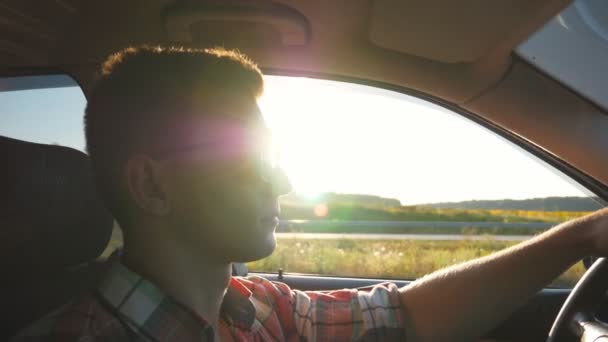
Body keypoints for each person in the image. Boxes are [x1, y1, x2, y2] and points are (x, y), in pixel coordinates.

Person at [12, 46, 608, 341]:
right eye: (250, 160)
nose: (284, 181)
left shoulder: (259, 310)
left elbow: (408, 315)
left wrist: (581, 235)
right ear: (152, 184)